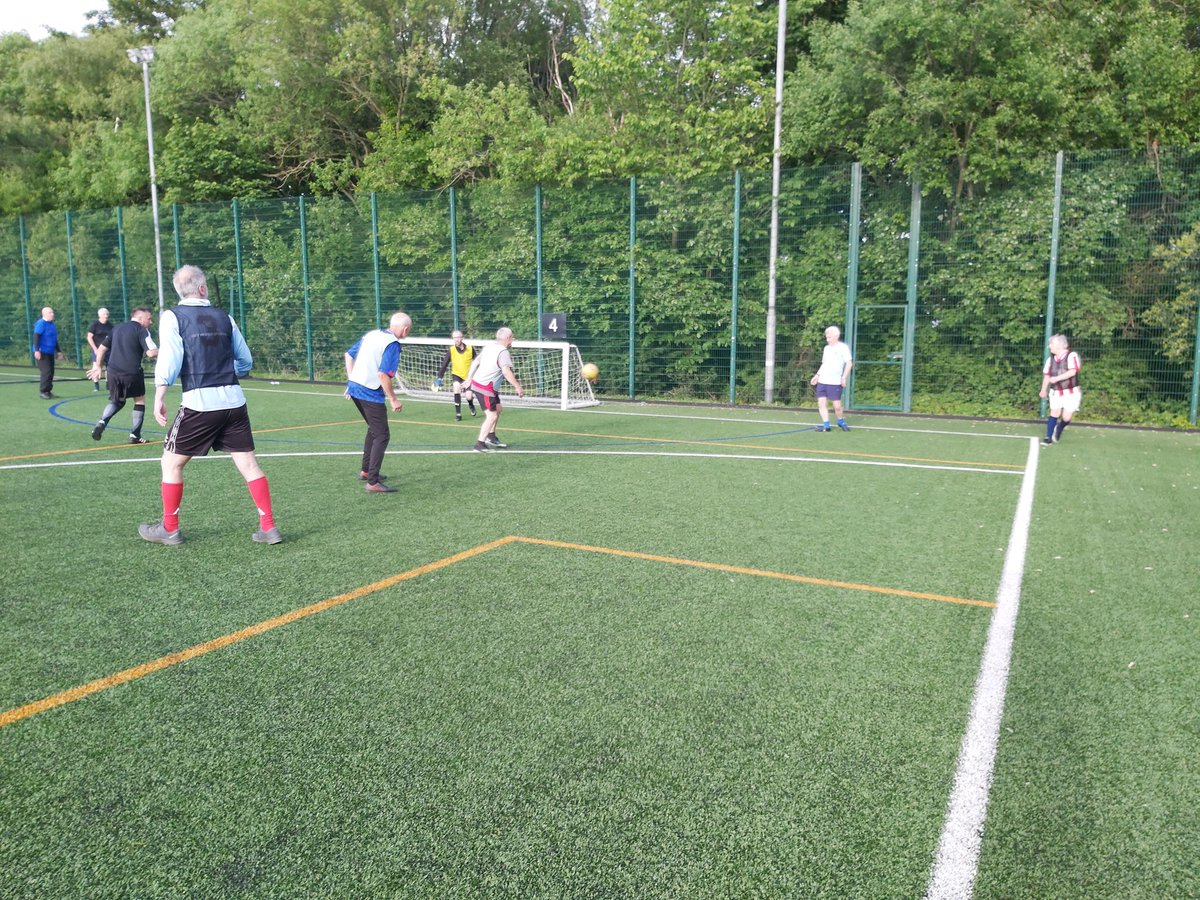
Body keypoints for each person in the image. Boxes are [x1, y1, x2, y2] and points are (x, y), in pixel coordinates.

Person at [138, 265, 281, 545]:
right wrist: (225, 374)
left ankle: (170, 528)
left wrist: (160, 395)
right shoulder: (224, 316)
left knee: (170, 463)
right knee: (249, 465)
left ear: (180, 292)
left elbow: (170, 359)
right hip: (234, 402)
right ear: (202, 288)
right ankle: (269, 527)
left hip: (199, 403)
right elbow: (246, 361)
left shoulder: (172, 316)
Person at [345, 312, 412, 493]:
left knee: (373, 430)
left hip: (355, 387)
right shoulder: (392, 344)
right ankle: (373, 482)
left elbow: (348, 355)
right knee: (382, 435)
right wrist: (393, 399)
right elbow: (383, 374)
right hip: (369, 391)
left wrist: (351, 380)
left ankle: (366, 471)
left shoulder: (372, 335)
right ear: (405, 329)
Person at [87, 307, 158, 444]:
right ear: (140, 318)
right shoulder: (142, 330)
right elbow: (152, 353)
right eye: (149, 319)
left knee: (117, 401)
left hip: (112, 372)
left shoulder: (117, 328)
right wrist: (170, 350)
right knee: (139, 400)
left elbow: (101, 349)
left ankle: (102, 422)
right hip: (132, 372)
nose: (150, 322)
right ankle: (135, 435)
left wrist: (98, 366)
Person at [467, 326, 524, 452]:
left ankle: (491, 436)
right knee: (491, 416)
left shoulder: (489, 347)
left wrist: (469, 378)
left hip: (485, 385)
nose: (512, 341)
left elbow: (475, 362)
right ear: (508, 338)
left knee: (498, 409)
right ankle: (479, 444)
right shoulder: (503, 352)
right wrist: (518, 387)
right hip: (485, 387)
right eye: (511, 338)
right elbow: (506, 372)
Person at [1039, 334, 1082, 446]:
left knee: (1066, 417)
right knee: (1054, 412)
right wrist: (1043, 389)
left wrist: (1057, 378)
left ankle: (1060, 428)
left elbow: (1072, 372)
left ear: (1059, 345)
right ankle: (1048, 437)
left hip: (1071, 392)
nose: (1049, 346)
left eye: (1051, 344)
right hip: (1055, 392)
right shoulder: (1050, 359)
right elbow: (1047, 375)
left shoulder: (1071, 356)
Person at [809, 325, 853, 431]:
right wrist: (817, 375)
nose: (827, 339)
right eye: (827, 337)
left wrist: (843, 377)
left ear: (836, 336)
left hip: (835, 382)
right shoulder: (826, 349)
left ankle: (840, 421)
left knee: (837, 406)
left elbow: (849, 363)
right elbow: (824, 364)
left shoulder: (843, 348)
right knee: (821, 403)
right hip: (823, 381)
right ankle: (826, 425)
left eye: (829, 337)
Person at [433, 329, 478, 421]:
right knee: (456, 387)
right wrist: (439, 378)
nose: (456, 339)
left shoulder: (470, 348)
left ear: (462, 338)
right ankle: (458, 414)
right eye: (454, 338)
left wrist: (475, 375)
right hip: (457, 375)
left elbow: (477, 361)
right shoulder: (451, 350)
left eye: (458, 337)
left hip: (468, 377)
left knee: (469, 396)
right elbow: (444, 364)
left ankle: (471, 404)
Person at [32, 307, 65, 399]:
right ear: (44, 314)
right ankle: (43, 391)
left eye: (53, 312)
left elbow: (54, 340)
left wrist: (58, 351)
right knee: (46, 371)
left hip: (50, 352)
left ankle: (48, 391)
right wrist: (37, 350)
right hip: (42, 352)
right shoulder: (41, 323)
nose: (52, 314)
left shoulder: (52, 325)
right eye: (50, 312)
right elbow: (36, 336)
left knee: (51, 372)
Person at [86, 308, 113, 392]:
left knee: (109, 367)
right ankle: (96, 384)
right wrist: (95, 349)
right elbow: (89, 337)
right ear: (100, 315)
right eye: (104, 314)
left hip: (108, 350)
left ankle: (108, 384)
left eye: (107, 314)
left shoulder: (110, 326)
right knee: (97, 365)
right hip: (97, 349)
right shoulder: (95, 325)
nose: (106, 316)